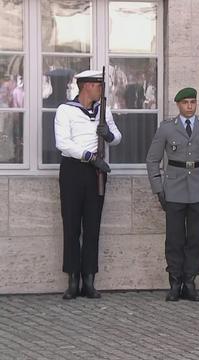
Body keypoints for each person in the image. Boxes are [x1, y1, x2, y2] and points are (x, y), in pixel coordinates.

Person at [146, 87, 199, 302]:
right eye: (185, 102)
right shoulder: (167, 128)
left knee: (197, 239)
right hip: (174, 189)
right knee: (174, 239)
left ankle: (190, 281)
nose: (189, 106)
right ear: (178, 105)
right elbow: (152, 160)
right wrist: (158, 188)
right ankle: (175, 281)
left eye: (192, 102)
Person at [55, 69, 122, 300]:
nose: (101, 89)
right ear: (86, 86)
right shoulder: (65, 110)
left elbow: (117, 136)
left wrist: (109, 136)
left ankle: (89, 280)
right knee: (72, 226)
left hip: (97, 173)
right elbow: (63, 143)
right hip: (74, 170)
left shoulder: (104, 110)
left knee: (92, 227)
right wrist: (91, 157)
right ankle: (73, 280)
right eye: (98, 85)